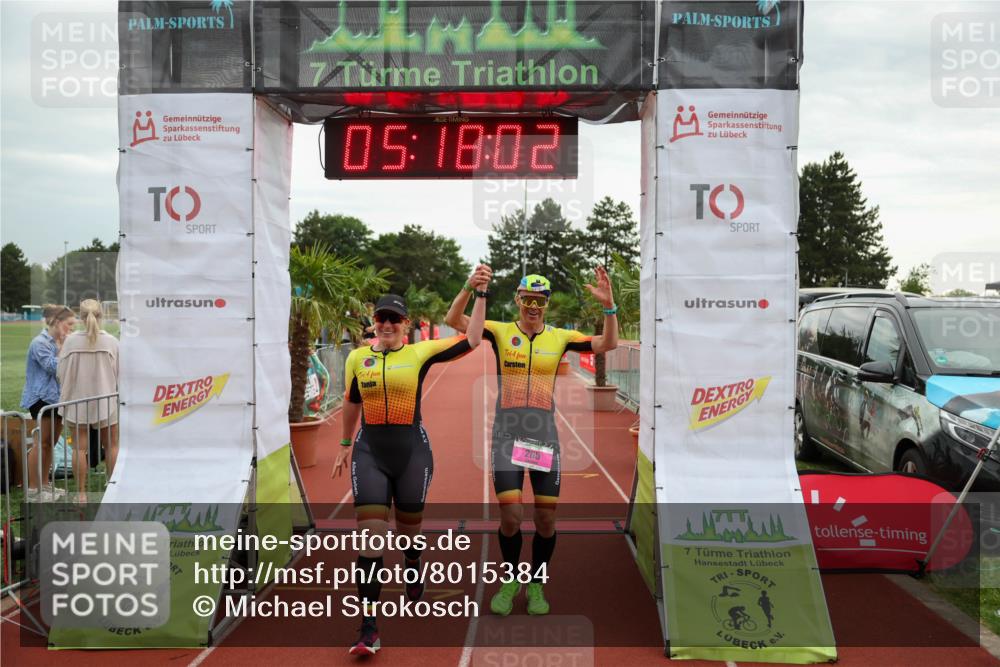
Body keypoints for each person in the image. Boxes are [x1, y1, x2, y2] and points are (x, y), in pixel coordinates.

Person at [445, 266, 619, 617]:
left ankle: (536, 582)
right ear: (518, 300)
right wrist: (469, 285)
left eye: (540, 300)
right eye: (528, 299)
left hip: (543, 438)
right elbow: (455, 319)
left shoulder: (560, 337)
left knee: (545, 520)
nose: (533, 306)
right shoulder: (499, 330)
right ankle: (511, 579)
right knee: (511, 515)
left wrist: (609, 307)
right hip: (506, 436)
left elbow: (607, 344)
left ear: (547, 304)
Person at [332, 282, 489, 656]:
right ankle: (368, 627)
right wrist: (343, 443)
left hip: (412, 453)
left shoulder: (420, 354)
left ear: (405, 324)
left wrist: (476, 292)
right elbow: (351, 401)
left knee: (407, 533)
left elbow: (473, 338)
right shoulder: (357, 358)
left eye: (394, 320)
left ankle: (413, 563)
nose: (387, 325)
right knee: (370, 538)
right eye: (381, 318)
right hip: (369, 451)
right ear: (373, 322)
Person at [57, 299, 119, 497]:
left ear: (81, 317)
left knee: (79, 449)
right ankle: (113, 488)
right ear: (101, 316)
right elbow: (120, 373)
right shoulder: (111, 341)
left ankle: (81, 493)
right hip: (106, 401)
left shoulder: (71, 341)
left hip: (77, 402)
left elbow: (61, 372)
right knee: (111, 445)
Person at [21, 305, 76, 500]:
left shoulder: (60, 341)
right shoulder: (40, 343)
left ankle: (44, 485)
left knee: (50, 444)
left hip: (57, 398)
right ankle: (33, 488)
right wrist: (63, 348)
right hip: (40, 399)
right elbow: (54, 367)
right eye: (69, 324)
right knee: (41, 443)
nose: (71, 329)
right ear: (57, 322)